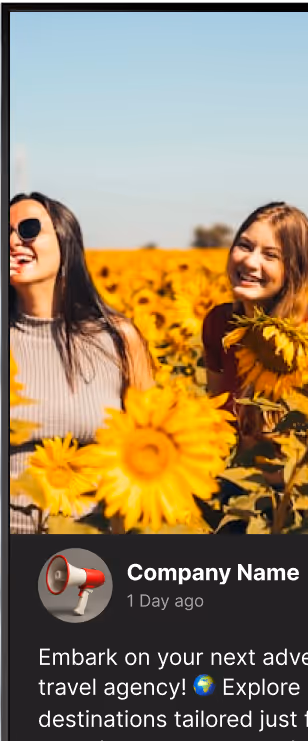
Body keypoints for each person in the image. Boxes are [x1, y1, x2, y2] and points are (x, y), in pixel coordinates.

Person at [8, 193, 156, 533]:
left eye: (28, 229)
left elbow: (148, 437)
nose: (13, 240)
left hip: (93, 547)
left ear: (66, 240)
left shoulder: (117, 338)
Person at [202, 202, 308, 416]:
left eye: (270, 255)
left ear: (294, 270)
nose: (250, 261)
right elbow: (215, 408)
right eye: (245, 246)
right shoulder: (220, 323)